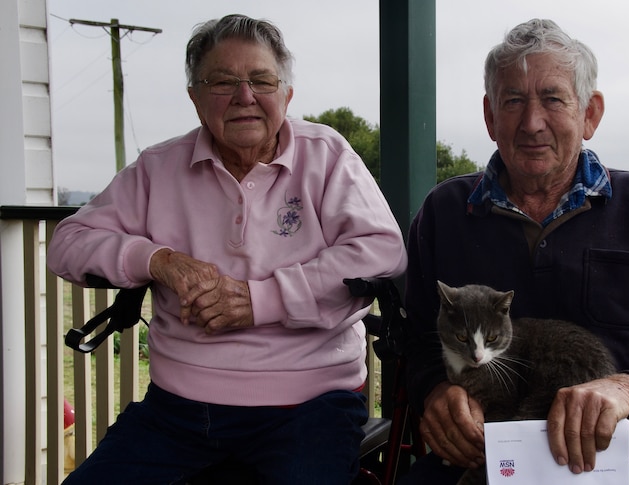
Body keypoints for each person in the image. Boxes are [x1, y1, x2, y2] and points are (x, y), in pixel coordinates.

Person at [48, 14, 407, 484]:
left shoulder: (327, 155)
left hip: (309, 403)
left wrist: (259, 301)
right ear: (195, 98)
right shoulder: (159, 168)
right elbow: (67, 244)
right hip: (176, 409)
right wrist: (157, 260)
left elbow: (382, 250)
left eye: (261, 80)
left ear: (286, 94)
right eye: (222, 81)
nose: (245, 96)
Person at [400, 18, 629, 485]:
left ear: (590, 113)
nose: (532, 122)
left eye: (553, 99)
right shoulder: (444, 214)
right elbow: (415, 341)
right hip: (481, 459)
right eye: (513, 100)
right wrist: (435, 390)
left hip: (610, 464)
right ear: (489, 116)